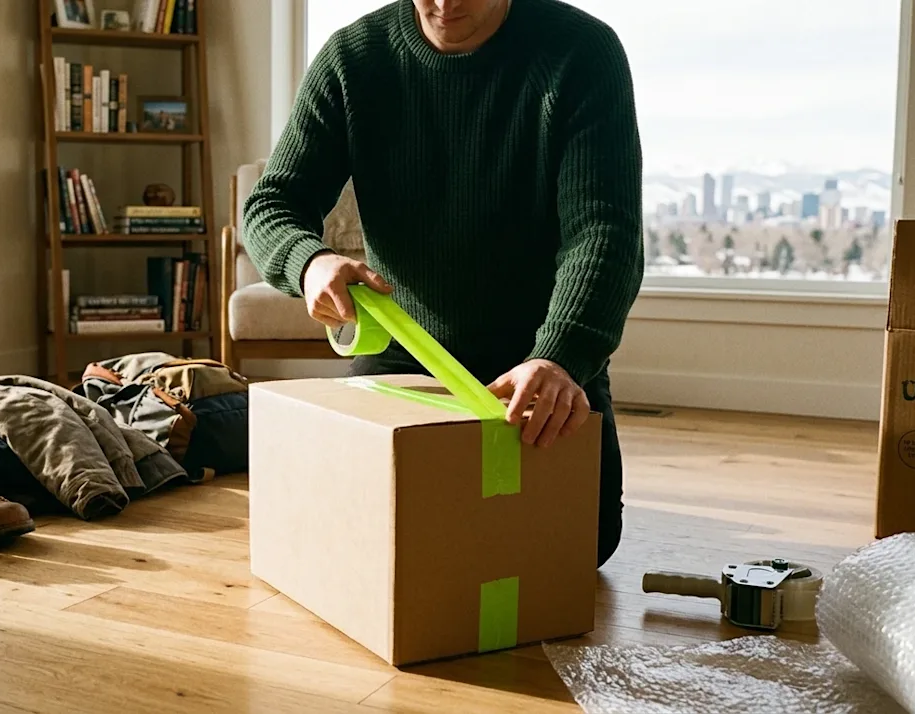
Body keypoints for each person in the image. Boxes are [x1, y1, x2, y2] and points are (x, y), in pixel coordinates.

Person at [240, 0, 643, 567]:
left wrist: (562, 359)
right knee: (363, 533)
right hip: (402, 359)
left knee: (578, 544)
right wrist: (308, 263)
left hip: (538, 367)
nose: (444, 4)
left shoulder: (581, 52)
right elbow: (271, 203)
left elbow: (604, 230)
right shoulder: (352, 59)